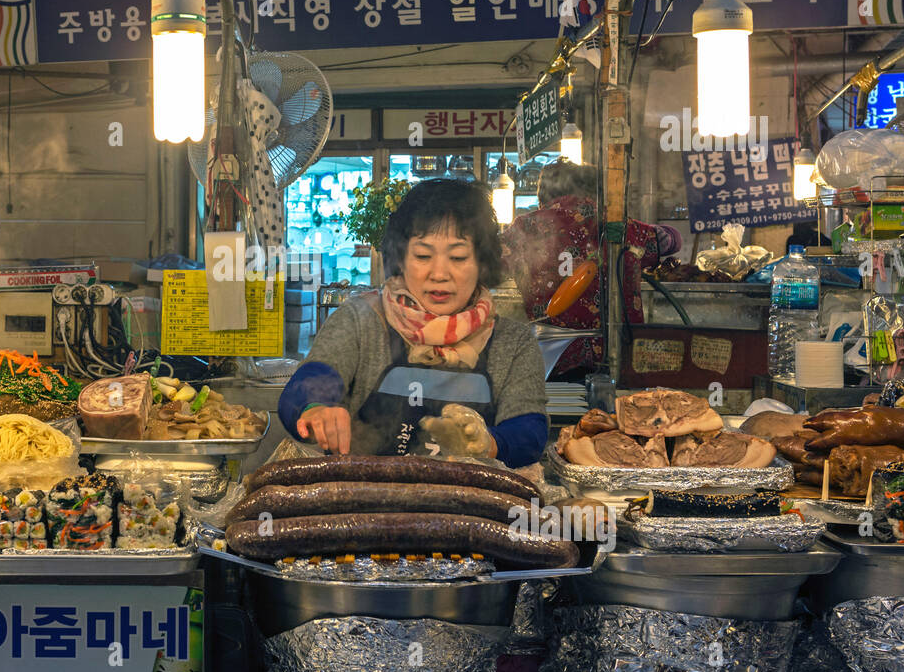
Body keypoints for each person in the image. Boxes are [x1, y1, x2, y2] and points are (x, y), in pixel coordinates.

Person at [277, 178, 548, 466]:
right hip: (365, 504)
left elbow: (529, 432)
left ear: (482, 263)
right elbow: (306, 386)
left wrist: (490, 443)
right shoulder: (361, 321)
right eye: (422, 255)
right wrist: (316, 408)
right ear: (401, 259)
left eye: (457, 257)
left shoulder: (513, 342)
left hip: (472, 508)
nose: (439, 273)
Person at [500, 160, 678, 378]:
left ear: (543, 193)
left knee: (559, 409)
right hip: (618, 353)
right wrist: (658, 230)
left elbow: (490, 260)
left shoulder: (525, 227)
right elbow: (671, 241)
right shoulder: (619, 225)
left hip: (552, 359)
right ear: (595, 190)